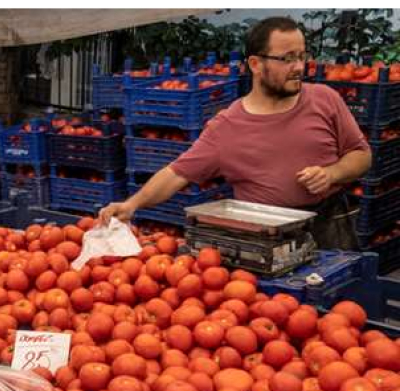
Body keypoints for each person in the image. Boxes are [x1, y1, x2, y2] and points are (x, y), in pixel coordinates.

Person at [99, 16, 372, 251]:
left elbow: (361, 155)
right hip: (265, 240)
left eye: (302, 56)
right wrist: (132, 204)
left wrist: (331, 174)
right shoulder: (227, 126)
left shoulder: (325, 99)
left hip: (329, 229)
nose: (299, 67)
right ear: (255, 64)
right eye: (287, 59)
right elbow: (176, 174)